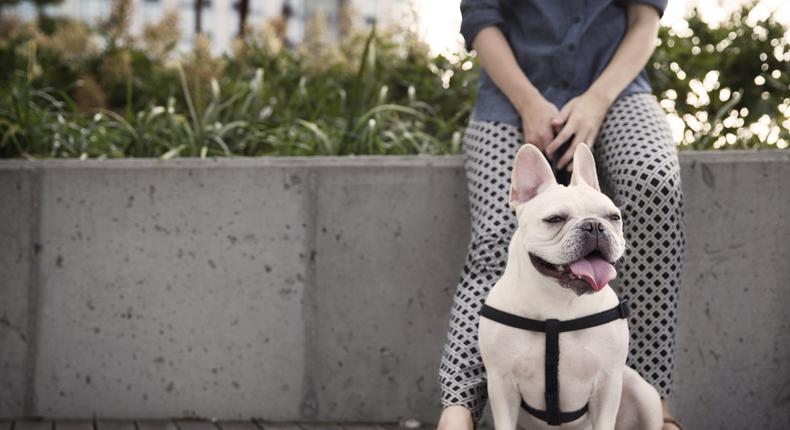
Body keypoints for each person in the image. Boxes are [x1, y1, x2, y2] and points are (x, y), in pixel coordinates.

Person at [436, 1, 686, 429]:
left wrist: (598, 99)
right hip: (510, 92)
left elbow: (646, 18)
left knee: (655, 185)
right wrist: (528, 102)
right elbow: (481, 19)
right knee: (500, 231)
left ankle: (652, 406)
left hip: (617, 86)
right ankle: (458, 409)